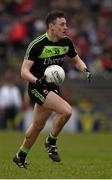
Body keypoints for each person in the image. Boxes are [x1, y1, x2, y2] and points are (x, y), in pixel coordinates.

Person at [13, 10, 92, 168]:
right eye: (62, 24)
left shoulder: (66, 42)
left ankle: (20, 155)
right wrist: (38, 80)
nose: (66, 27)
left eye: (66, 24)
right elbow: (24, 72)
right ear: (51, 26)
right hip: (37, 87)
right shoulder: (37, 45)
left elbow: (77, 60)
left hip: (52, 88)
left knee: (37, 126)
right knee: (66, 111)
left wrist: (85, 70)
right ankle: (50, 142)